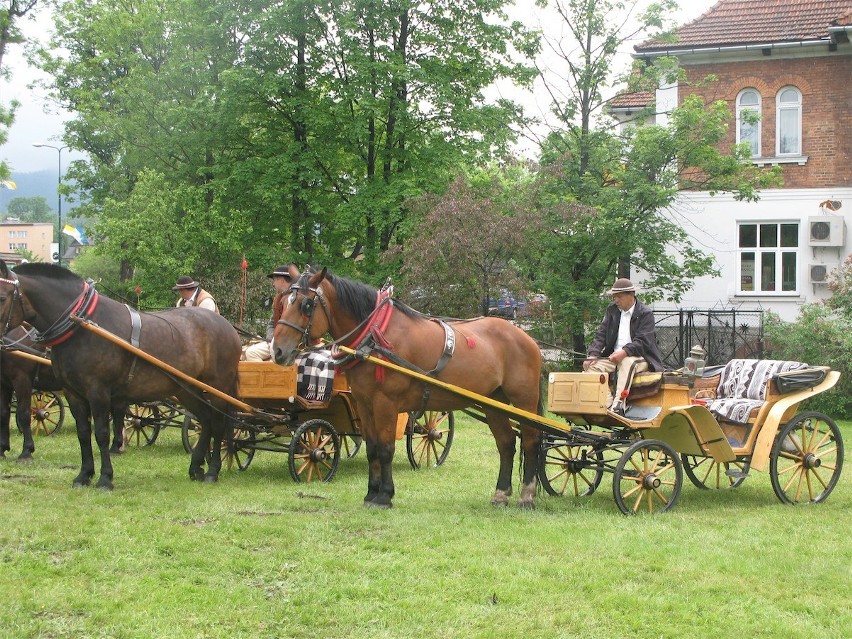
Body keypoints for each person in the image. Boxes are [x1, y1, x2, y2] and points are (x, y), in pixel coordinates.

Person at [583, 278, 664, 414]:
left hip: (641, 357)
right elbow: (601, 335)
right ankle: (608, 405)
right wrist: (593, 354)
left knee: (627, 362)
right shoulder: (612, 311)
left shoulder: (645, 314)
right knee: (590, 367)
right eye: (614, 297)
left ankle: (619, 405)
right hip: (614, 357)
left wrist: (625, 352)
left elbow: (643, 342)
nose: (616, 300)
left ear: (631, 295)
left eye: (619, 296)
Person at [243, 265, 294, 362]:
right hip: (276, 341)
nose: (273, 284)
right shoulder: (278, 298)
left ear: (282, 280)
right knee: (250, 352)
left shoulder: (296, 298)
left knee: (273, 358)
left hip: (291, 343)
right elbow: (271, 324)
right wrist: (271, 340)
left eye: (275, 280)